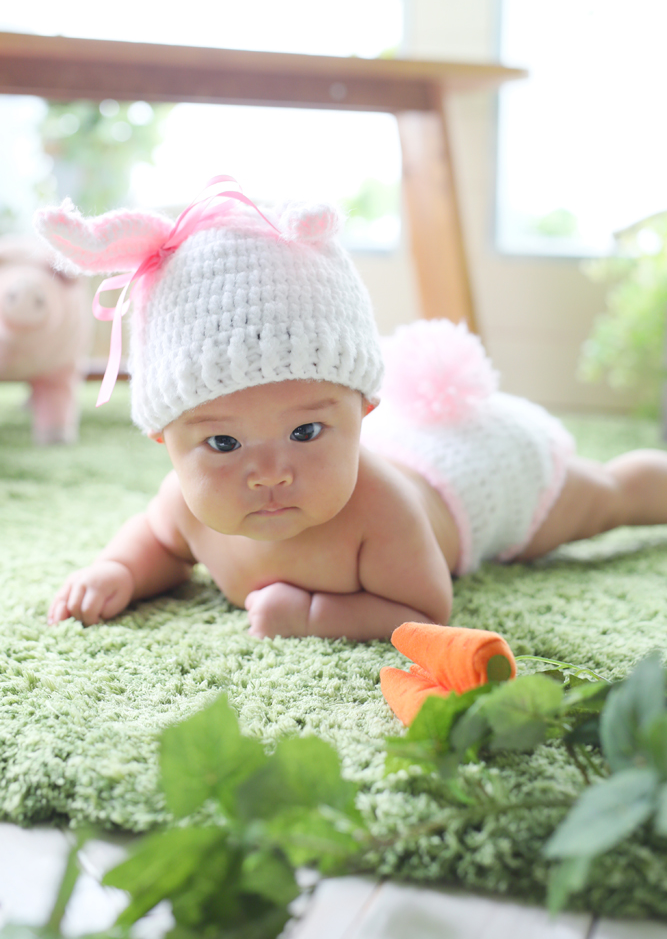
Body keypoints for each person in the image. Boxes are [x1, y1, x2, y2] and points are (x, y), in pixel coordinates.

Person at [36, 179, 667, 640]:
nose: (270, 473)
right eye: (224, 444)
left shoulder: (381, 510)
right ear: (163, 439)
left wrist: (313, 615)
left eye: (306, 431)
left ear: (363, 410)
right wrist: (119, 569)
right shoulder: (184, 506)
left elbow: (426, 610)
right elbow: (158, 541)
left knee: (606, 496)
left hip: (490, 474)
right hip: (419, 446)